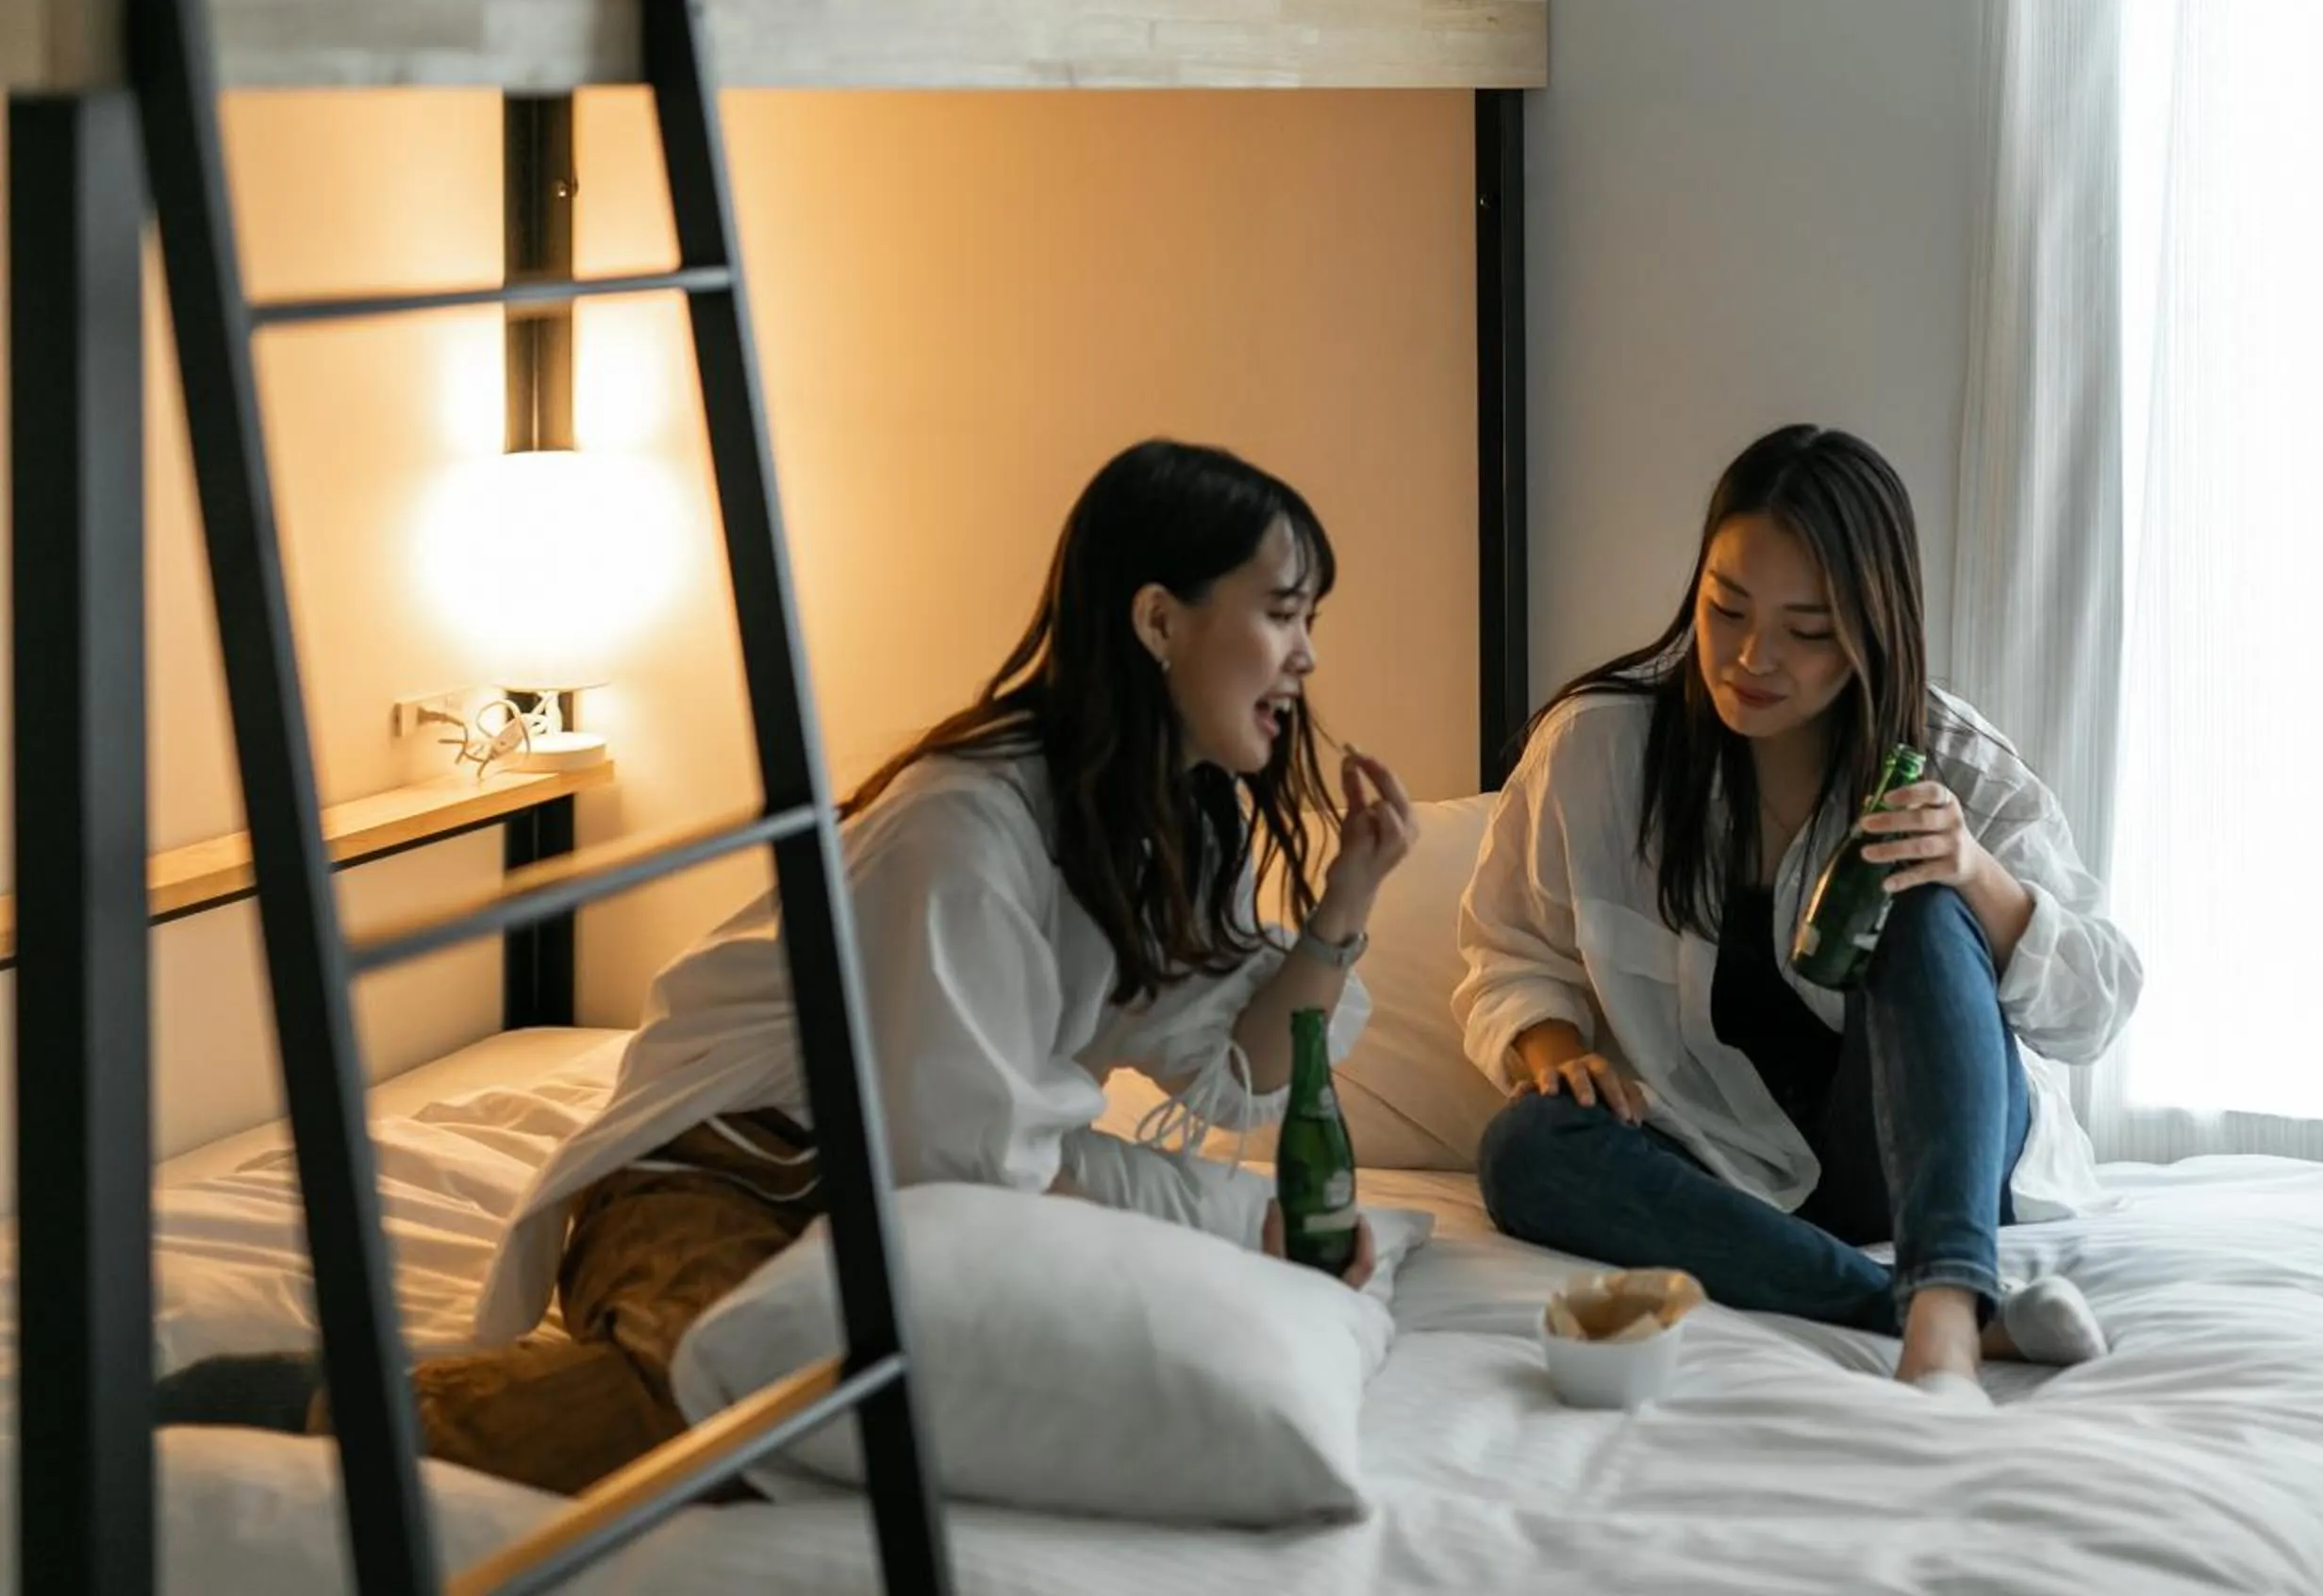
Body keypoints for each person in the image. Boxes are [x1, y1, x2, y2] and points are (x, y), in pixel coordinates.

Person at [158, 438, 1419, 1489]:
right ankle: (304, 1401)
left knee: (865, 1409)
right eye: (1283, 613)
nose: (1307, 656)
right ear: (1158, 619)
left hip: (859, 1190)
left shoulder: (1158, 824)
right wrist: (1225, 1224)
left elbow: (1243, 1072)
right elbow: (965, 1171)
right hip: (714, 1174)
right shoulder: (964, 826)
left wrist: (1349, 895)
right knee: (747, 1420)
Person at [1456, 424, 2138, 1403]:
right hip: (1720, 1163)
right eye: (1725, 607)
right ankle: (1927, 1308)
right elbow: (1508, 947)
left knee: (1923, 897)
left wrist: (1975, 873)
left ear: (1872, 625)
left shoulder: (1955, 761)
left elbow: (2098, 1008)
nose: (1751, 656)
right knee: (1525, 1149)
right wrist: (1554, 1050)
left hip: (1936, 1162)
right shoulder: (1599, 749)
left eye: (1807, 630)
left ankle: (1944, 1319)